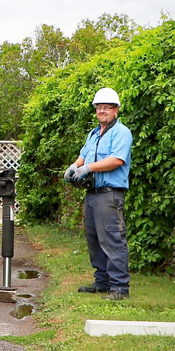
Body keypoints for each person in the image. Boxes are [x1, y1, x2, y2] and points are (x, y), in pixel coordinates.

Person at [63, 87, 133, 300]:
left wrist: (89, 169)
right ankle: (102, 282)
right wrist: (74, 167)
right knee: (94, 240)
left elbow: (116, 160)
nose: (102, 111)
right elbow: (83, 157)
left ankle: (120, 288)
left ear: (116, 110)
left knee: (112, 239)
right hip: (92, 194)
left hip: (110, 195)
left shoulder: (122, 133)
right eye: (99, 107)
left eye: (107, 107)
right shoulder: (93, 134)